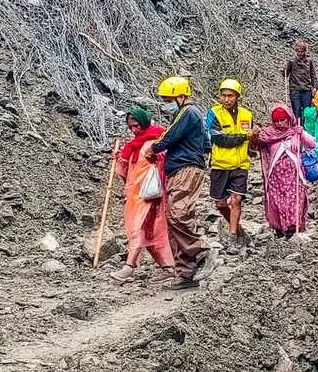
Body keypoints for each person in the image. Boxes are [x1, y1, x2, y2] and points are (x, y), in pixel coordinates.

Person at [144, 76, 212, 290]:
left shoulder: (188, 113)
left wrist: (153, 148)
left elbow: (168, 138)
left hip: (185, 168)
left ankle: (202, 252)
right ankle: (186, 272)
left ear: (180, 96)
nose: (166, 102)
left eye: (168, 98)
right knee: (176, 220)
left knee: (177, 215)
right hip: (182, 168)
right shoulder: (187, 114)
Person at [110, 108, 174, 282]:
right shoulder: (134, 145)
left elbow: (163, 165)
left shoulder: (157, 140)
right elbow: (128, 173)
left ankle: (129, 266)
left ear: (144, 122)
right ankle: (168, 267)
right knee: (147, 231)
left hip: (150, 195)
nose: (134, 130)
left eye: (136, 125)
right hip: (135, 196)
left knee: (141, 228)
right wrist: (120, 159)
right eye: (130, 127)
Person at [205, 78, 257, 248]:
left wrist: (254, 138)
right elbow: (219, 139)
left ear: (237, 97)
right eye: (223, 95)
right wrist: (244, 137)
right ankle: (238, 227)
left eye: (230, 96)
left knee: (236, 200)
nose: (226, 99)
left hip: (241, 164)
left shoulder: (247, 115)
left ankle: (233, 236)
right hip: (220, 164)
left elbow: (251, 142)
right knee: (220, 203)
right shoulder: (214, 113)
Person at [256, 104, 316, 237]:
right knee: (278, 202)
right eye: (276, 120)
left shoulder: (296, 132)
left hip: (294, 175)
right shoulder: (268, 134)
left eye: (282, 120)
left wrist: (301, 133)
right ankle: (280, 227)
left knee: (294, 201)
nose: (279, 123)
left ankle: (292, 226)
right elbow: (257, 144)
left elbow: (312, 144)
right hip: (276, 177)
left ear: (288, 119)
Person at [283, 41, 317, 122]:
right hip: (295, 89)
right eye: (298, 52)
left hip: (306, 90)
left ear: (305, 51)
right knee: (296, 111)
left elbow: (313, 75)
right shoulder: (291, 61)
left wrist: (315, 87)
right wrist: (284, 69)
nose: (300, 53)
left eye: (302, 51)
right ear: (296, 51)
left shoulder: (309, 61)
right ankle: (297, 128)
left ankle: (306, 129)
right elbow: (285, 75)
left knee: (307, 111)